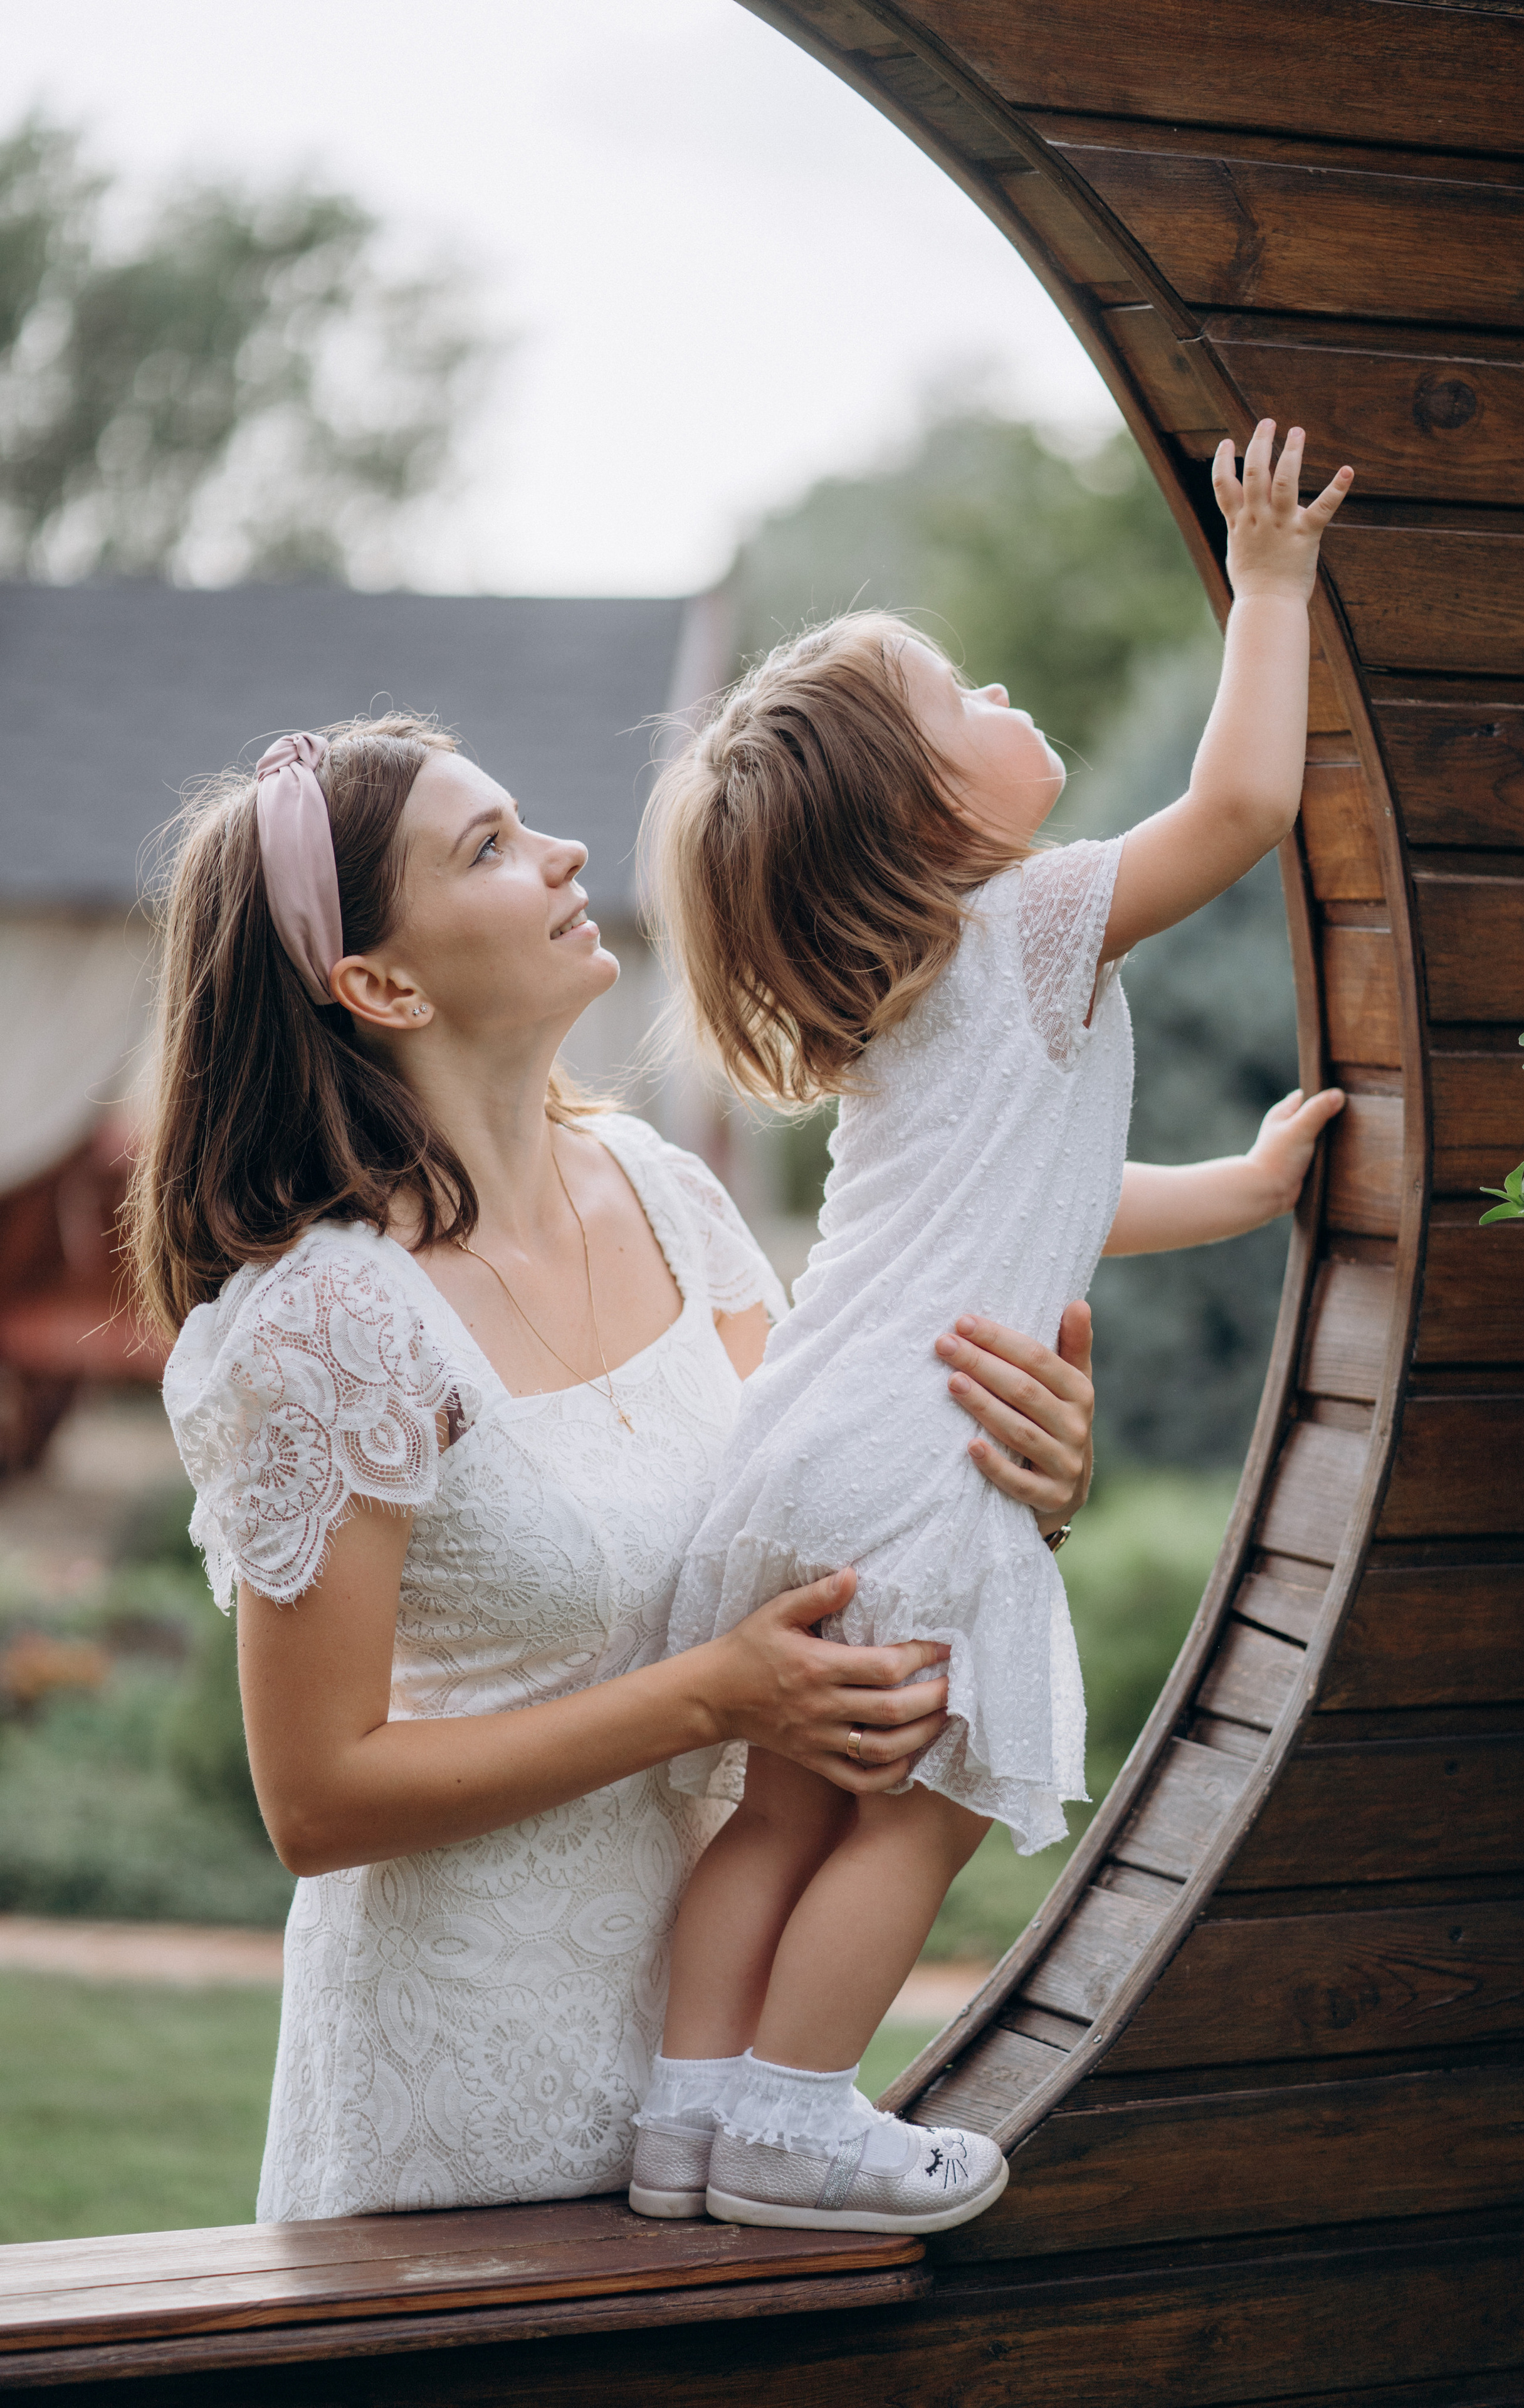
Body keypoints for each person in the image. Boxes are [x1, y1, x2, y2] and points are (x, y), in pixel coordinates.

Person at [125, 708, 1098, 2222]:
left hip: (719, 2077)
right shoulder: (325, 1328)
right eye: (491, 849)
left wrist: (1021, 1481)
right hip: (464, 2096)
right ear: (377, 983)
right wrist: (712, 1699)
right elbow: (315, 1801)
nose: (566, 850)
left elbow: (819, 1500)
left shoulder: (663, 1191)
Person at [631, 420, 1352, 2236]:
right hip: (920, 1462)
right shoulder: (1027, 922)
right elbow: (1245, 812)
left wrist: (1238, 1190)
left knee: (785, 1816)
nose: (1003, 681)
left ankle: (690, 2121)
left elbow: (1052, 1199)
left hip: (799, 1449)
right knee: (921, 1816)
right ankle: (797, 2118)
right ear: (934, 821)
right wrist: (1270, 584)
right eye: (964, 690)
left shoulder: (903, 1017)